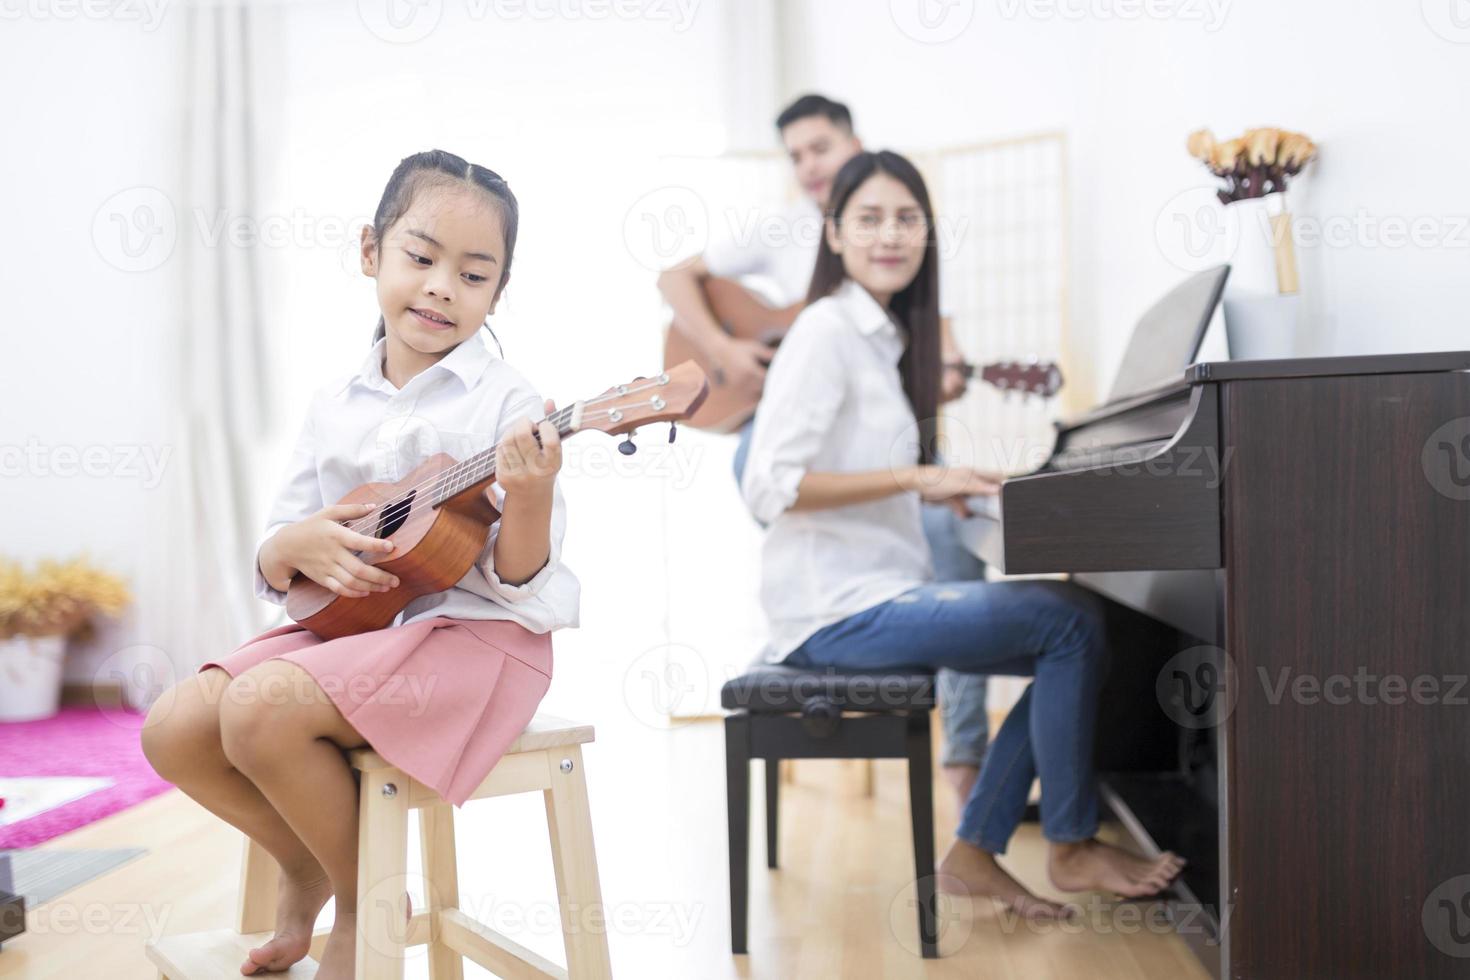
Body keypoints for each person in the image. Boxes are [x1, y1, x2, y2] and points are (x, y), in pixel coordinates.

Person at [140, 150, 579, 978]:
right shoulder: (335, 403)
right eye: (421, 257)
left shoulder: (508, 404)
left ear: (498, 292)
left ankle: (366, 902)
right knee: (175, 727)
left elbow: (522, 583)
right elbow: (280, 552)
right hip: (357, 631)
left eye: (474, 274)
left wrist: (529, 495)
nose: (443, 286)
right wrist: (290, 544)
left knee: (260, 709)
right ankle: (308, 859)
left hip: (476, 641)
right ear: (371, 251)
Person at [740, 149, 1184, 917]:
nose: (891, 235)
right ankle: (1067, 846)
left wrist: (946, 493)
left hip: (874, 593)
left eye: (907, 219)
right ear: (835, 235)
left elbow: (863, 474)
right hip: (832, 612)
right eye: (870, 219)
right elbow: (769, 488)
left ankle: (979, 853)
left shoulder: (881, 343)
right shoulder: (824, 332)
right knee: (1071, 624)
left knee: (1077, 629)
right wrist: (915, 480)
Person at [656, 94, 993, 801]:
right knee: (769, 475)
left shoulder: (899, 239)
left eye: (821, 147)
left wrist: (947, 377)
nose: (809, 165)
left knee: (956, 546)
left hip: (870, 452)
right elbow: (674, 276)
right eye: (796, 155)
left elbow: (942, 342)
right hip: (789, 440)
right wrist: (726, 348)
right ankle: (826, 640)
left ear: (854, 142)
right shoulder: (783, 231)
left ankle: (964, 754)